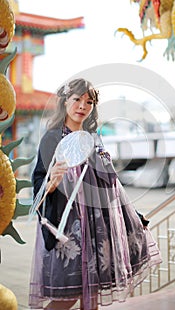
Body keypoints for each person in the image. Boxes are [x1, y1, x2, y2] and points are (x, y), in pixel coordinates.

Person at [29, 77, 162, 310]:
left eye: (89, 102)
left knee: (92, 296)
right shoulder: (52, 138)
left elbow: (110, 183)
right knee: (67, 296)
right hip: (70, 228)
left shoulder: (93, 138)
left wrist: (133, 215)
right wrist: (53, 181)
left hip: (99, 227)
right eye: (77, 99)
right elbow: (39, 184)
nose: (83, 106)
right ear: (64, 102)